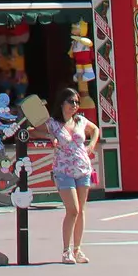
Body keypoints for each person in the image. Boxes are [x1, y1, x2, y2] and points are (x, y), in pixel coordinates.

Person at [46, 87, 100, 263]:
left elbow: (95, 129)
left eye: (77, 102)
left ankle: (77, 249)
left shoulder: (80, 121)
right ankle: (66, 250)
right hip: (63, 170)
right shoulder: (52, 123)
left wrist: (91, 145)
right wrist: (50, 137)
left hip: (83, 168)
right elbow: (33, 130)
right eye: (71, 101)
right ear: (62, 103)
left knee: (81, 210)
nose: (75, 105)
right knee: (73, 210)